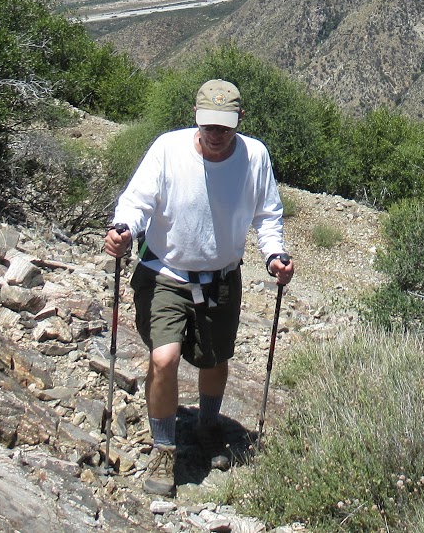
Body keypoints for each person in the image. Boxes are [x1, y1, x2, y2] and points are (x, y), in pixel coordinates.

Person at [104, 79, 295, 497]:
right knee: (165, 357)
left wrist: (274, 254)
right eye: (209, 125)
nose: (216, 134)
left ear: (238, 122)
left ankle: (208, 425)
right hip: (165, 272)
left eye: (224, 127)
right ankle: (163, 446)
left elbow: (267, 214)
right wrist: (123, 230)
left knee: (214, 360)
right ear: (196, 118)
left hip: (221, 278)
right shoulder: (168, 149)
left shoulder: (255, 156)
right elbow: (137, 201)